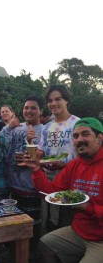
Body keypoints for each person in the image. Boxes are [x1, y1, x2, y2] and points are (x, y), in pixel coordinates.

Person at [19, 117, 103, 263]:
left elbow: (88, 207)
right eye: (75, 136)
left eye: (85, 134)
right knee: (46, 244)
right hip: (80, 232)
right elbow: (51, 192)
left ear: (100, 138)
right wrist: (37, 170)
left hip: (100, 239)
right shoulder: (75, 165)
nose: (79, 140)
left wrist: (88, 209)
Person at [0, 95, 44, 237]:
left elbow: (47, 156)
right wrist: (8, 127)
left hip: (31, 187)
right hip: (13, 185)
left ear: (41, 111)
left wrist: (32, 151)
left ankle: (31, 255)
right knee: (14, 224)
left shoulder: (45, 130)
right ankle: (15, 253)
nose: (29, 111)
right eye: (26, 107)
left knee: (31, 225)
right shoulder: (16, 128)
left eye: (33, 108)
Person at [37, 85, 80, 231]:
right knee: (47, 217)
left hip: (70, 178)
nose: (53, 103)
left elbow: (85, 156)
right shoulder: (47, 127)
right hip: (48, 177)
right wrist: (33, 157)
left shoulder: (77, 123)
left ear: (66, 100)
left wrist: (64, 165)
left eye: (58, 99)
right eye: (50, 100)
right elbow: (41, 151)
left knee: (66, 218)